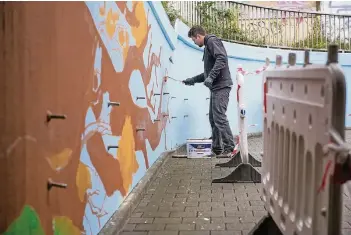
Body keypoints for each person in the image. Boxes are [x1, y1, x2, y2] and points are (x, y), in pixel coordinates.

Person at [182, 25, 235, 157]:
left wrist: (211, 77)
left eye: (194, 40)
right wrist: (192, 79)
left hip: (222, 86)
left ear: (198, 36)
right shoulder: (207, 47)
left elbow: (222, 59)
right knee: (213, 118)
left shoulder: (212, 41)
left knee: (219, 117)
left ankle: (230, 149)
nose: (194, 42)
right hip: (216, 87)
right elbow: (207, 73)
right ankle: (217, 149)